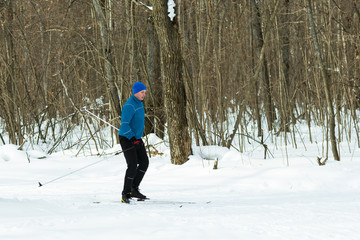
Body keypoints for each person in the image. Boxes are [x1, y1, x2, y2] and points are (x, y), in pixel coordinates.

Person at [118, 82, 149, 203]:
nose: (144, 94)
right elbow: (124, 125)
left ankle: (134, 188)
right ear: (135, 92)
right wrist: (132, 139)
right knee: (132, 165)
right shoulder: (129, 105)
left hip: (136, 138)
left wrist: (137, 139)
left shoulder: (139, 104)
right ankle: (125, 193)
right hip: (127, 138)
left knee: (144, 162)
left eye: (145, 92)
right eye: (142, 92)